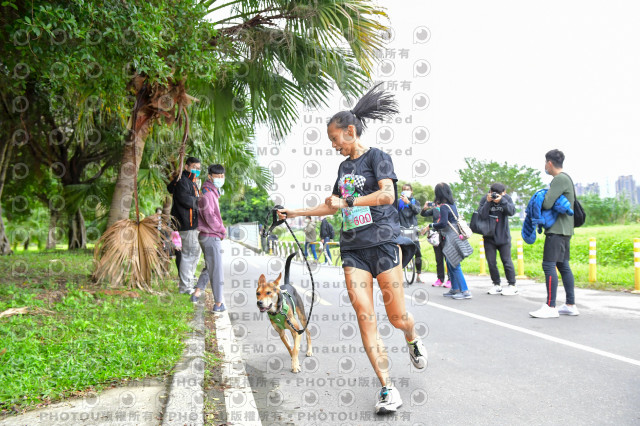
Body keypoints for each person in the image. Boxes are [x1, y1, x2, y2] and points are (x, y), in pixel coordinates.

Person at [277, 84, 426, 415]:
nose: (333, 146)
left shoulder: (378, 158)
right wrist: (295, 212)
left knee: (398, 318)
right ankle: (387, 387)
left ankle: (412, 338)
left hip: (384, 244)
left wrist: (349, 201)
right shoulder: (344, 169)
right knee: (364, 315)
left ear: (350, 131)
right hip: (354, 250)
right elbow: (333, 206)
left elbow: (387, 195)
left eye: (335, 139)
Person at [530, 149, 579, 318]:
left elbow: (547, 203)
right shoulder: (567, 179)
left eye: (545, 163)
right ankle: (570, 304)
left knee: (548, 265)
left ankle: (550, 307)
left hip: (557, 231)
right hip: (566, 230)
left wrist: (540, 196)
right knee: (563, 266)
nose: (545, 166)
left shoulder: (559, 179)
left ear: (549, 163)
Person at [191, 164, 227, 311]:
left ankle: (196, 292)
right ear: (210, 176)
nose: (220, 179)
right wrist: (222, 229)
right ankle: (218, 304)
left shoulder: (212, 191)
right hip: (210, 236)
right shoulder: (207, 194)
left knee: (210, 266)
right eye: (217, 176)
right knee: (217, 270)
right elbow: (209, 216)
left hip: (209, 235)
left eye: (222, 176)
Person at [429, 183, 472, 300]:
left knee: (454, 264)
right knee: (450, 263)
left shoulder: (444, 207)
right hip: (454, 236)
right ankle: (455, 288)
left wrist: (431, 225)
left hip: (451, 237)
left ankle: (465, 290)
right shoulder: (452, 205)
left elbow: (443, 223)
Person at [167, 156, 202, 295]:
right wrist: (201, 201)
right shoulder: (183, 181)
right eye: (194, 167)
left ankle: (187, 283)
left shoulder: (192, 182)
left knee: (192, 255)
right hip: (187, 225)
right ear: (186, 167)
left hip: (192, 225)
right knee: (189, 255)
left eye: (198, 169)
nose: (196, 170)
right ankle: (185, 287)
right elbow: (187, 201)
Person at [478, 183, 518, 295]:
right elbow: (481, 215)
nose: (496, 196)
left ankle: (512, 285)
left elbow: (512, 212)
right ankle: (496, 284)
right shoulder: (485, 199)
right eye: (493, 193)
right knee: (491, 262)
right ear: (490, 192)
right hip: (489, 237)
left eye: (500, 194)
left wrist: (502, 201)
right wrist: (488, 202)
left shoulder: (507, 198)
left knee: (506, 261)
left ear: (503, 192)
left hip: (503, 236)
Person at [398, 183, 424, 283]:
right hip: (401, 229)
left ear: (411, 191)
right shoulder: (398, 202)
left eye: (408, 189)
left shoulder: (415, 202)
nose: (406, 190)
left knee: (418, 252)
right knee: (400, 252)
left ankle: (419, 275)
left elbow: (417, 211)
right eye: (404, 189)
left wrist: (408, 202)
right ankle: (399, 273)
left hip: (413, 229)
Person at [420, 201, 450, 288]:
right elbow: (423, 214)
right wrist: (425, 207)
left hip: (446, 235)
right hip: (436, 237)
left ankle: (450, 279)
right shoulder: (435, 209)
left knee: (448, 259)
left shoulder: (447, 207)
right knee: (438, 258)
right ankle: (440, 279)